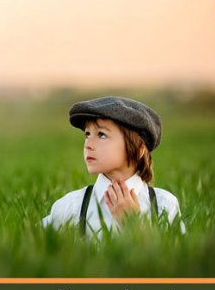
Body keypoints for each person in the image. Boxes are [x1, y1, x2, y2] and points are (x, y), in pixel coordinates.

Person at [42, 96, 185, 237]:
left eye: (102, 135)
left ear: (139, 149)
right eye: (87, 134)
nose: (88, 144)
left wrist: (134, 226)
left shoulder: (164, 205)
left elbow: (175, 258)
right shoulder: (71, 206)